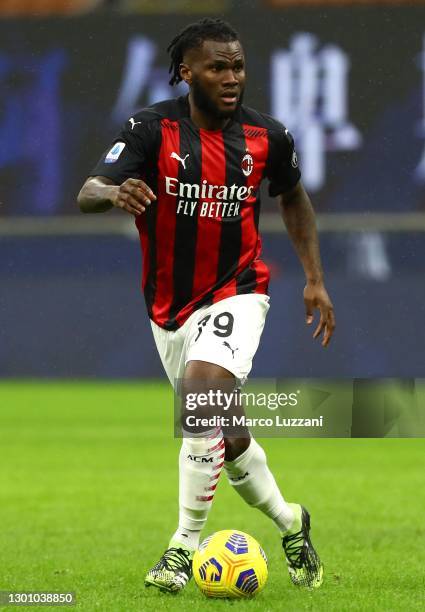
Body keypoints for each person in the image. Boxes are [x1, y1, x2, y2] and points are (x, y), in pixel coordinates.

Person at [77, 18, 335, 593]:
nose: (231, 77)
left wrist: (315, 278)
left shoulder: (268, 138)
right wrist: (115, 191)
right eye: (217, 67)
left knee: (199, 402)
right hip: (169, 307)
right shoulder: (152, 129)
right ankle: (292, 522)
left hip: (239, 289)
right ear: (186, 72)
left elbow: (293, 196)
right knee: (229, 435)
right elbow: (88, 190)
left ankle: (182, 547)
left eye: (237, 66)